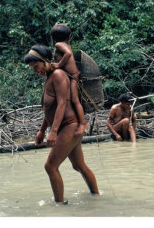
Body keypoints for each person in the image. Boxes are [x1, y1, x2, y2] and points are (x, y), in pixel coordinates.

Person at [24, 44, 99, 204]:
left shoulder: (58, 75)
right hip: (65, 127)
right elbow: (49, 109)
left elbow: (62, 104)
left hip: (69, 126)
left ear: (45, 60)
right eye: (32, 68)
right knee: (78, 165)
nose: (35, 70)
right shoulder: (49, 79)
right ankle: (96, 197)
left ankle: (60, 206)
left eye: (36, 65)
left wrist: (54, 132)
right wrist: (42, 131)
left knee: (50, 167)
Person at [50, 23, 87, 136]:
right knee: (72, 100)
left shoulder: (59, 45)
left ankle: (82, 123)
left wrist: (58, 65)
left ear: (53, 38)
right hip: (71, 76)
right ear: (69, 37)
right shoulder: (65, 44)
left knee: (75, 100)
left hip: (73, 76)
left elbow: (68, 54)